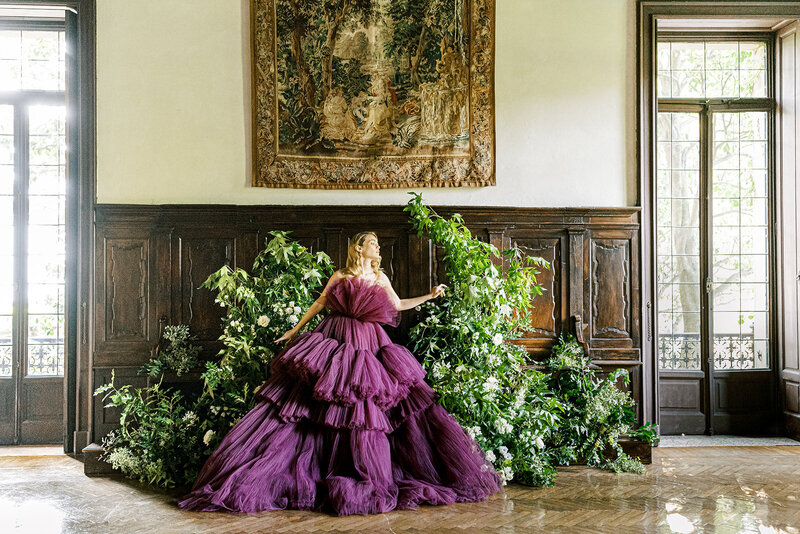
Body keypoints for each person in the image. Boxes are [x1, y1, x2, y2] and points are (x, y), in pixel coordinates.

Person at [176, 231, 503, 516]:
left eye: (377, 244)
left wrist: (429, 296)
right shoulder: (341, 275)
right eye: (372, 244)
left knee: (364, 403)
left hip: (370, 343)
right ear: (358, 248)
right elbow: (319, 304)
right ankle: (313, 469)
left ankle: (365, 471)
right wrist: (294, 331)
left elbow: (398, 305)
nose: (378, 248)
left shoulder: (380, 278)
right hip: (336, 338)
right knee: (317, 402)